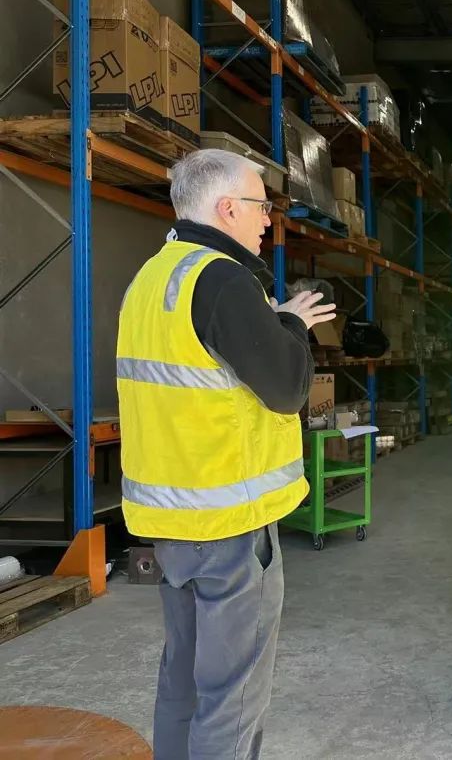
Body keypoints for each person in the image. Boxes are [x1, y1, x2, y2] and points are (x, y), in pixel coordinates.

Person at [117, 149, 335, 759]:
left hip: (172, 521)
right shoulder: (223, 280)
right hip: (229, 524)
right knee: (232, 696)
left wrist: (272, 318)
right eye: (261, 205)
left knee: (183, 681)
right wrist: (293, 326)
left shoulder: (152, 279)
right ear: (227, 208)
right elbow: (287, 387)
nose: (268, 219)